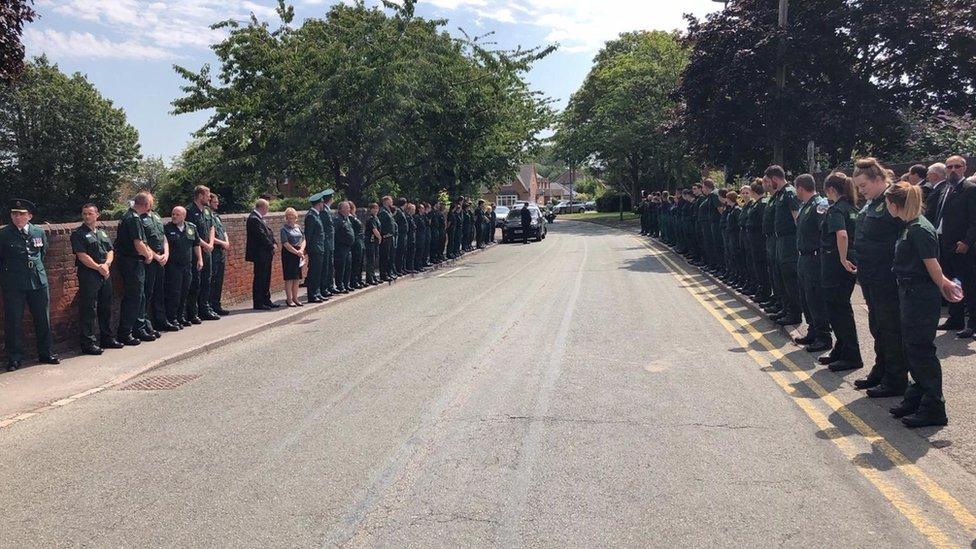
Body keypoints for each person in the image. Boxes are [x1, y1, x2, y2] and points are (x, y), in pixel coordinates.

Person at [885, 182, 962, 428]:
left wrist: (946, 286)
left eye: (888, 203)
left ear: (895, 205)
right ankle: (917, 397)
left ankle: (933, 407)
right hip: (909, 292)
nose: (887, 207)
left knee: (921, 349)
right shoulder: (909, 226)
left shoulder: (920, 229)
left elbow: (933, 266)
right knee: (912, 348)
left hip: (920, 295)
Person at [851, 158, 908, 397]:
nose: (860, 190)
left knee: (889, 328)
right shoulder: (872, 203)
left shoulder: (892, 201)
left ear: (877, 180)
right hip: (871, 276)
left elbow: (902, 238)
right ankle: (881, 370)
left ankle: (895, 379)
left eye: (863, 185)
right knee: (876, 326)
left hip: (886, 276)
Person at [0, 199, 59, 370]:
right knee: (13, 321)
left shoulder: (38, 231)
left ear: (30, 216)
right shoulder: (4, 235)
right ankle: (14, 358)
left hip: (38, 281)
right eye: (14, 214)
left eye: (22, 214)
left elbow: (42, 253)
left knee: (43, 319)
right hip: (14, 284)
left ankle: (46, 353)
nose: (18, 217)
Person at [818, 172, 863, 372]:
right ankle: (841, 348)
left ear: (831, 190)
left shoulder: (836, 209)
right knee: (839, 307)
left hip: (836, 264)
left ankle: (851, 354)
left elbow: (842, 235)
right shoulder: (852, 207)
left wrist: (843, 259)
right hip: (847, 261)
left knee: (838, 309)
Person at [930, 155, 976, 338]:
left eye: (957, 166)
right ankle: (955, 318)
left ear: (964, 168)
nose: (953, 170)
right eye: (949, 167)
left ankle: (972, 323)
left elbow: (974, 220)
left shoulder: (970, 189)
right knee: (949, 282)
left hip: (961, 246)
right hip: (943, 243)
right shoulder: (944, 189)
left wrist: (967, 241)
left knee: (967, 284)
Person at [72, 204, 123, 354]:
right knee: (89, 309)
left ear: (97, 215)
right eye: (84, 213)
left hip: (104, 273)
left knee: (105, 307)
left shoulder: (102, 233)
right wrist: (98, 267)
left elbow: (110, 250)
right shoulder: (78, 234)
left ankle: (107, 338)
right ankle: (88, 343)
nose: (87, 216)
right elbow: (82, 256)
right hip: (89, 274)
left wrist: (106, 265)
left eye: (90, 213)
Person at [793, 174, 831, 352]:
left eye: (796, 189)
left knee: (816, 298)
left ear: (800, 188)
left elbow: (823, 232)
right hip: (803, 257)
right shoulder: (806, 206)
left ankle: (823, 337)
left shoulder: (819, 205)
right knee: (806, 297)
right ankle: (812, 331)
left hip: (814, 258)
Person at [115, 192, 155, 344]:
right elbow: (138, 243)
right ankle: (125, 333)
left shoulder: (130, 216)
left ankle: (138, 328)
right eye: (150, 203)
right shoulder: (133, 218)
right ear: (146, 205)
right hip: (131, 262)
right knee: (133, 297)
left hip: (132, 262)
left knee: (140, 296)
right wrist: (148, 255)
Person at [768, 166, 802, 326]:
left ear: (775, 179)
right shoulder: (780, 194)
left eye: (769, 180)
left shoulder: (789, 192)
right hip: (781, 241)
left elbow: (797, 218)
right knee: (782, 278)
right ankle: (786, 308)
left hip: (790, 242)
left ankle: (794, 314)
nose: (768, 184)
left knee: (790, 279)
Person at [163, 206, 202, 328]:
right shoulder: (167, 228)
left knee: (185, 292)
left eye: (177, 214)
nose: (174, 216)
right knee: (174, 293)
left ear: (184, 216)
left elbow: (196, 244)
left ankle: (181, 317)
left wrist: (200, 259)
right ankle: (172, 318)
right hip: (173, 267)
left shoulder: (191, 227)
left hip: (187, 266)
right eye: (173, 214)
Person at [186, 185, 220, 322]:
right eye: (207, 195)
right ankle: (193, 313)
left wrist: (211, 243)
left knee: (207, 280)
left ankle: (205, 309)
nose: (209, 198)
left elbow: (211, 227)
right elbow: (191, 233)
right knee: (196, 282)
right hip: (197, 251)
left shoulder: (206, 211)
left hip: (208, 250)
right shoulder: (189, 211)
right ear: (200, 196)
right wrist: (205, 245)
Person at [246, 198, 278, 310]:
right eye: (267, 208)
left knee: (266, 277)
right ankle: (259, 302)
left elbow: (268, 233)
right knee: (260, 278)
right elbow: (261, 236)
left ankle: (266, 300)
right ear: (262, 207)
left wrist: (274, 242)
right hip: (260, 254)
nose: (267, 210)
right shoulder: (254, 219)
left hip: (265, 254)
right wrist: (271, 245)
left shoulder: (260, 218)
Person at [209, 193, 231, 316]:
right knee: (212, 280)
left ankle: (217, 305)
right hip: (214, 251)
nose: (217, 204)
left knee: (219, 280)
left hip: (221, 251)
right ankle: (211, 306)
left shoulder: (217, 216)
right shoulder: (207, 217)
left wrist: (226, 241)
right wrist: (222, 242)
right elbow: (209, 236)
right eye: (215, 202)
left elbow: (223, 230)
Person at [304, 191, 328, 303]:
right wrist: (308, 249)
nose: (323, 205)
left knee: (318, 272)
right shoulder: (311, 216)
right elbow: (309, 235)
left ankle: (317, 292)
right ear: (319, 203)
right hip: (315, 249)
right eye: (322, 203)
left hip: (319, 248)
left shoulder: (316, 215)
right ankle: (312, 294)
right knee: (314, 272)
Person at [280, 208, 306, 307]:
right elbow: (286, 244)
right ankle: (289, 299)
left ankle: (295, 298)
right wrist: (297, 252)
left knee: (297, 278)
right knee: (289, 278)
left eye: (293, 216)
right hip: (289, 254)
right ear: (286, 218)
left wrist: (301, 251)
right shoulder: (284, 229)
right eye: (289, 216)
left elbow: (304, 239)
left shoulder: (298, 227)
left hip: (299, 253)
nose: (291, 218)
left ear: (296, 217)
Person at [319, 190, 338, 296]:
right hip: (327, 243)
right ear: (330, 199)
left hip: (330, 243)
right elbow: (326, 229)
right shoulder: (324, 211)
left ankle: (330, 286)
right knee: (326, 266)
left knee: (330, 266)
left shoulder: (327, 210)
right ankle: (324, 288)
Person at [334, 200, 355, 292]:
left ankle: (346, 284)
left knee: (348, 266)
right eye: (347, 208)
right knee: (341, 267)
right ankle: (340, 286)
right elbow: (334, 233)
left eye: (349, 208)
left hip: (348, 247)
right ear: (341, 209)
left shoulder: (347, 219)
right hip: (341, 247)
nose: (349, 209)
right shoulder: (337, 219)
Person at [378, 196, 396, 281]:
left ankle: (389, 273)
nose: (392, 202)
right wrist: (384, 235)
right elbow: (381, 226)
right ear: (385, 202)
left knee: (390, 256)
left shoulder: (388, 211)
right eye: (390, 201)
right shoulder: (382, 212)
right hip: (386, 237)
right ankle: (383, 274)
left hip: (390, 236)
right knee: (385, 257)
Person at [350, 201, 367, 287]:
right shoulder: (350, 218)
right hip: (356, 242)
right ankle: (354, 281)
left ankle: (359, 279)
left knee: (360, 262)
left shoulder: (354, 217)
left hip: (360, 241)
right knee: (356, 263)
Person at [365, 202, 382, 285]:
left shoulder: (376, 218)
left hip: (374, 242)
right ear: (370, 210)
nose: (376, 210)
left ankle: (374, 276)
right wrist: (380, 238)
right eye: (374, 208)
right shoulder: (371, 219)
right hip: (370, 242)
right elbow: (374, 230)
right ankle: (370, 278)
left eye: (377, 208)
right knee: (370, 261)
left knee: (374, 260)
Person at [394, 198, 409, 274]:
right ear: (405, 203)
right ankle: (399, 269)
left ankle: (403, 268)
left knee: (404, 252)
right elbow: (395, 222)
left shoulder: (402, 212)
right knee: (400, 252)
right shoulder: (398, 212)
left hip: (404, 234)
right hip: (400, 235)